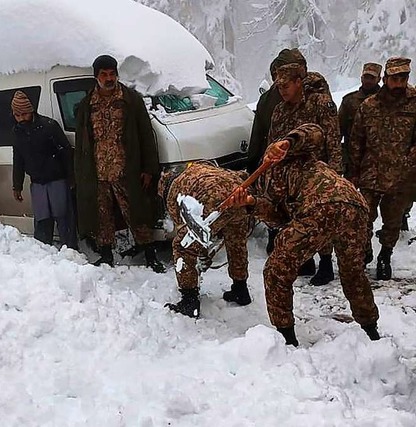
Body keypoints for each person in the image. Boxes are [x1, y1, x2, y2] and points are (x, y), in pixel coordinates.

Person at [227, 123, 380, 346]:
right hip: (354, 204)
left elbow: (315, 132)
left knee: (276, 271)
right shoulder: (262, 183)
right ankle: (372, 332)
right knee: (353, 274)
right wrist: (251, 203)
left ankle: (287, 339)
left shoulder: (277, 158)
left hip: (321, 204)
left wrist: (288, 141)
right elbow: (281, 217)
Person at [74, 54, 164, 273]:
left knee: (137, 213)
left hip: (127, 170)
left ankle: (150, 253)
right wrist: (80, 174)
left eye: (112, 73)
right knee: (102, 216)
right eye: (104, 74)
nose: (108, 78)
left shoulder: (131, 100)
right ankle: (106, 255)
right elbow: (81, 143)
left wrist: (149, 169)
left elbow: (146, 136)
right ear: (96, 77)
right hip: (98, 173)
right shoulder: (87, 105)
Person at [268, 62, 342, 287]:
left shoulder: (319, 103)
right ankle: (307, 260)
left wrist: (336, 172)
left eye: (286, 86)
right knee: (298, 216)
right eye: (279, 87)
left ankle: (326, 263)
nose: (282, 91)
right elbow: (273, 140)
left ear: (299, 82)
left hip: (319, 174)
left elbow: (333, 138)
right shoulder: (280, 110)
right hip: (292, 177)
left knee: (321, 218)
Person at [349, 57, 416, 280]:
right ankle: (365, 250)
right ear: (385, 79)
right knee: (362, 217)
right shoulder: (369, 106)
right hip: (371, 173)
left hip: (401, 177)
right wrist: (353, 172)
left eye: (403, 78)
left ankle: (385, 255)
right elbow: (356, 140)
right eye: (394, 78)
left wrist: (409, 163)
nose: (399, 83)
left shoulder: (414, 103)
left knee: (392, 222)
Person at [158, 162, 252, 318]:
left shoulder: (173, 190)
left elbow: (187, 233)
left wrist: (200, 254)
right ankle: (240, 289)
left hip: (215, 198)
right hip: (239, 191)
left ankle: (189, 302)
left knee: (182, 247)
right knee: (236, 242)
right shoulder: (196, 168)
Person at [11, 90, 78, 249]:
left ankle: (71, 251)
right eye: (17, 115)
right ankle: (43, 253)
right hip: (37, 183)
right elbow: (18, 159)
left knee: (64, 218)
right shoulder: (17, 132)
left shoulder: (49, 126)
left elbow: (65, 151)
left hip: (57, 180)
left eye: (24, 114)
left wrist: (71, 177)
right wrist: (17, 186)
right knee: (42, 220)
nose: (21, 119)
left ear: (31, 111)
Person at [338, 63, 382, 179]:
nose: (368, 81)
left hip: (377, 163)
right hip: (352, 160)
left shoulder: (385, 101)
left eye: (372, 78)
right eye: (366, 77)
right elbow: (338, 130)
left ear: (379, 79)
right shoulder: (349, 101)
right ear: (361, 78)